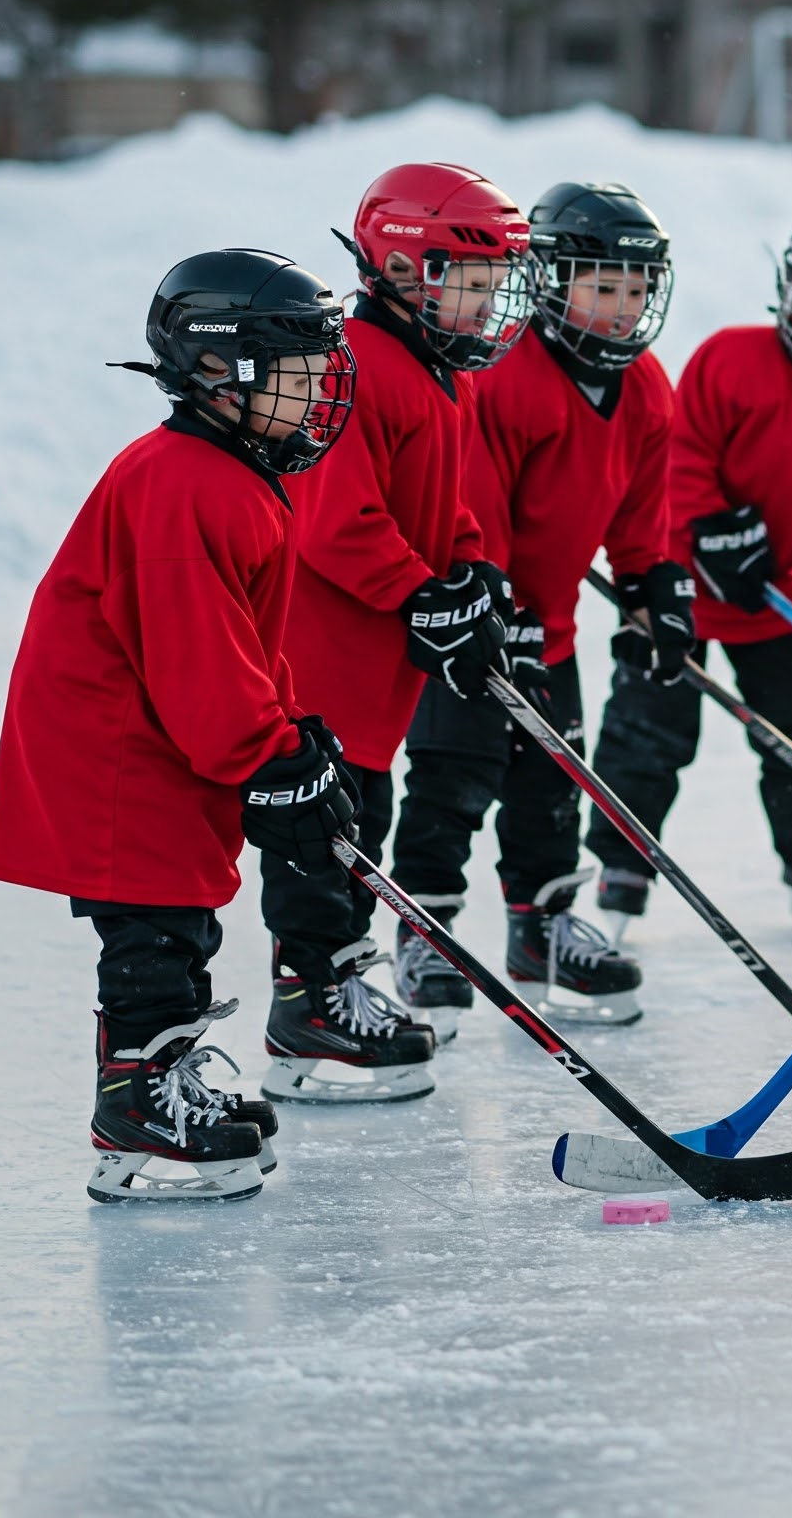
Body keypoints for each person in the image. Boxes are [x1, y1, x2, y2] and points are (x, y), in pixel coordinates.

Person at [0, 250, 362, 1202]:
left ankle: (168, 1079)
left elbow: (244, 641)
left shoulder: (231, 473)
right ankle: (136, 1103)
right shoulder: (184, 481)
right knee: (152, 926)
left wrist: (292, 733)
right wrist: (266, 755)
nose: (318, 397)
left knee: (181, 918)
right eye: (297, 375)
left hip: (154, 734)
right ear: (220, 370)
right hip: (115, 746)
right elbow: (199, 657)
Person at [388, 181, 688, 1029]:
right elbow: (472, 504)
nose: (623, 307)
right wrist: (497, 608)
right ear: (551, 281)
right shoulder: (504, 374)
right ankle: (427, 932)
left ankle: (542, 927)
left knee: (552, 787)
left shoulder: (645, 387)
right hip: (467, 626)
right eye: (603, 287)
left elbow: (642, 512)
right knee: (452, 781)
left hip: (550, 633)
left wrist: (654, 586)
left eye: (636, 289)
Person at [273, 161, 533, 1100]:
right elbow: (336, 521)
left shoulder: (435, 373)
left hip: (379, 669)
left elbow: (443, 504)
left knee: (363, 824)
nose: (491, 303)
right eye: (476, 281)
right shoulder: (350, 366)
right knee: (326, 837)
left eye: (498, 282)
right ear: (404, 266)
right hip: (325, 660)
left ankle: (339, 987)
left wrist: (471, 574)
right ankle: (309, 1010)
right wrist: (420, 595)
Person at [588, 214, 792, 931]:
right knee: (649, 728)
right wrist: (712, 526)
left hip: (773, 597)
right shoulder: (730, 359)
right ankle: (621, 861)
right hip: (673, 581)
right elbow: (679, 455)